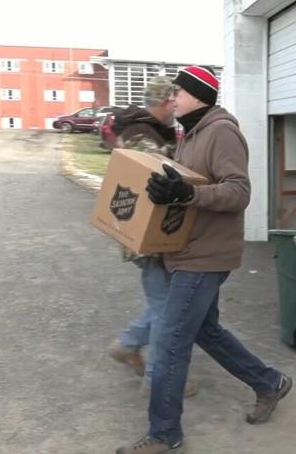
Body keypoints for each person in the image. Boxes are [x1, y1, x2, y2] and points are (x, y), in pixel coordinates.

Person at [117, 66, 291, 454]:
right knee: (204, 331)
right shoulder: (191, 133)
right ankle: (269, 382)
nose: (171, 98)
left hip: (206, 255)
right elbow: (186, 186)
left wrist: (185, 195)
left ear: (198, 95)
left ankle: (164, 433)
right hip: (185, 250)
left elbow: (238, 192)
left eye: (178, 92)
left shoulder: (221, 131)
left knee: (170, 342)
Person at [107, 76, 198, 398]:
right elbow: (154, 183)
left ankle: (127, 345)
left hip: (153, 236)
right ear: (162, 103)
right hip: (149, 239)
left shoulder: (146, 131)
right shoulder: (141, 137)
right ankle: (158, 382)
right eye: (172, 101)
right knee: (165, 312)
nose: (176, 107)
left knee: (164, 306)